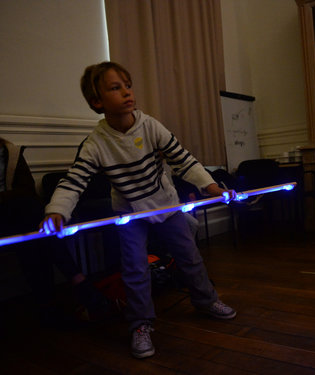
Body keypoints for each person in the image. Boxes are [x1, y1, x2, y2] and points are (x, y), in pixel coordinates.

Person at [39, 61, 237, 359]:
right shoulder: (95, 144)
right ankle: (141, 324)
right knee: (133, 268)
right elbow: (73, 182)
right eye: (115, 88)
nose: (127, 93)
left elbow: (183, 160)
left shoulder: (151, 126)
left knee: (189, 256)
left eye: (128, 85)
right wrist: (56, 212)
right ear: (97, 101)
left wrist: (211, 188)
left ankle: (206, 300)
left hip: (166, 205)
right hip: (129, 213)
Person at [0, 137, 115, 326]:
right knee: (33, 224)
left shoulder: (10, 151)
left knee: (34, 225)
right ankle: (79, 283)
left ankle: (48, 303)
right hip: (15, 217)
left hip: (17, 215)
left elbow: (26, 190)